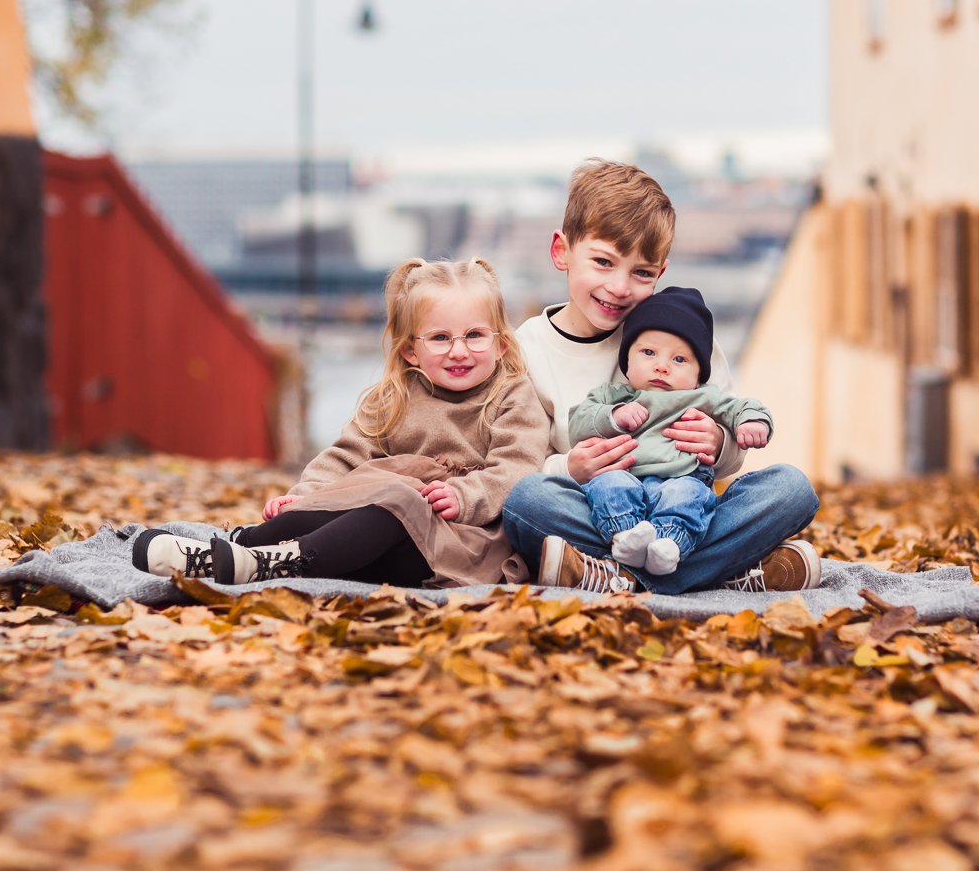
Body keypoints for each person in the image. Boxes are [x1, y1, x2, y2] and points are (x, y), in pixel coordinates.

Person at [503, 159, 822, 595]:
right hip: (597, 507)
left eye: (641, 273)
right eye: (602, 262)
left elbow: (730, 450)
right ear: (562, 251)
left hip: (684, 503)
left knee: (791, 490)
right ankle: (718, 572)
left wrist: (719, 442)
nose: (619, 286)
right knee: (528, 502)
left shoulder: (683, 336)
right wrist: (569, 468)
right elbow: (518, 463)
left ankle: (615, 577)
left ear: (661, 272)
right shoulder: (528, 350)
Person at [133, 258, 546, 588]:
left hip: (456, 545)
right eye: (440, 338)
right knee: (328, 512)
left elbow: (518, 467)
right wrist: (306, 496)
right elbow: (346, 457)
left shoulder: (510, 395)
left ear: (501, 343)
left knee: (398, 501)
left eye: (475, 335)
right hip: (367, 544)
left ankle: (276, 563)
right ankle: (228, 551)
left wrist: (467, 493)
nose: (459, 350)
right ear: (410, 352)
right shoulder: (393, 399)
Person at [569, 286, 773, 576]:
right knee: (606, 484)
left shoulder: (703, 397)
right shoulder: (615, 395)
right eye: (649, 353)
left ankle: (668, 545)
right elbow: (579, 421)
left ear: (698, 376)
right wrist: (612, 416)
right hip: (627, 478)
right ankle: (627, 538)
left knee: (689, 494)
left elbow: (740, 407)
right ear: (627, 362)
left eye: (679, 360)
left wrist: (752, 422)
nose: (662, 366)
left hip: (681, 477)